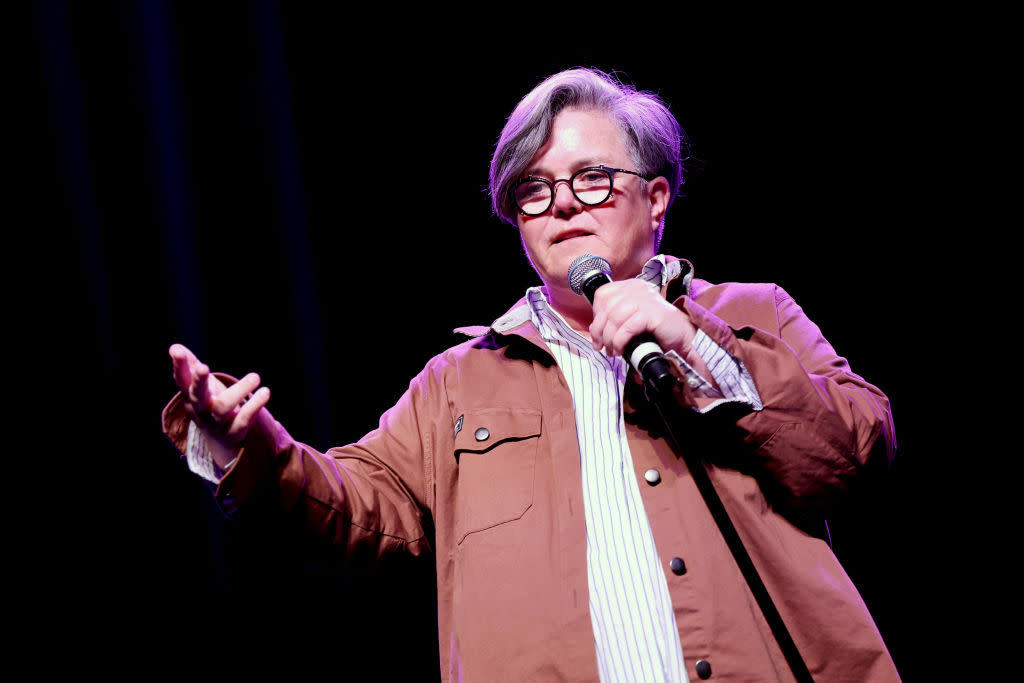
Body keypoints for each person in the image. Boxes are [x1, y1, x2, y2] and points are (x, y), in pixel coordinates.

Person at [164, 68, 899, 681]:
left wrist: (697, 341)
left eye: (594, 177)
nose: (565, 203)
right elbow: (354, 507)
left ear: (657, 197)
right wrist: (244, 448)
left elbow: (854, 449)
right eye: (534, 189)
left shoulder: (754, 312)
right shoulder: (459, 382)